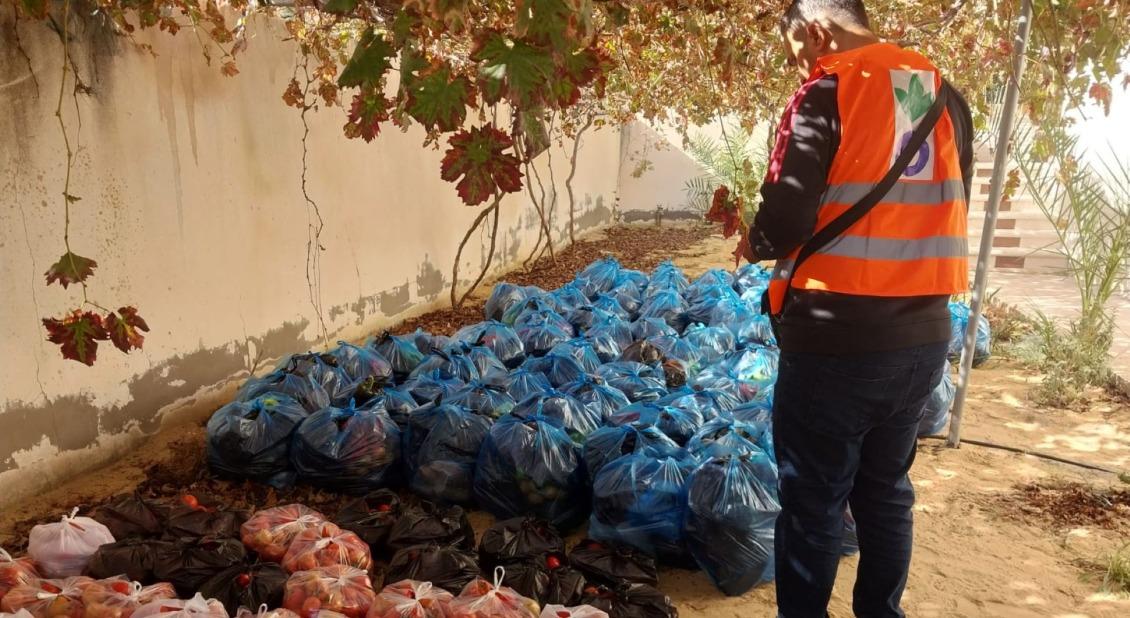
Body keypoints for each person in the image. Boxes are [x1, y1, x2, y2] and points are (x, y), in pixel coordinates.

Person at [745, 1, 974, 617]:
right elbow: (950, 204)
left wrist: (756, 238)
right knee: (886, 493)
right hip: (925, 335)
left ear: (816, 29)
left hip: (836, 337)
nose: (798, 61)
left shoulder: (826, 92)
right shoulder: (943, 95)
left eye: (796, 46)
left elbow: (785, 220)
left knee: (814, 500)